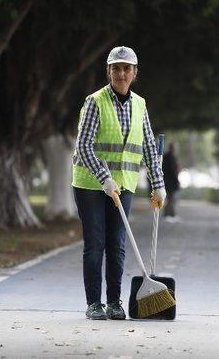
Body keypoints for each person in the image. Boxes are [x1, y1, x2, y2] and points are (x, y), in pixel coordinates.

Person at [72, 46, 166, 320]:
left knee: (117, 243)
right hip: (91, 184)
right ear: (108, 71)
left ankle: (114, 302)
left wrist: (157, 185)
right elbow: (84, 146)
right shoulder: (95, 101)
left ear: (135, 73)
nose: (121, 73)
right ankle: (94, 304)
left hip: (124, 184)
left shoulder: (140, 104)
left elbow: (148, 144)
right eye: (116, 68)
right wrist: (104, 179)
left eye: (127, 69)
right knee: (96, 243)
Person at [162, 143, 181, 222]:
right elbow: (173, 171)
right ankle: (171, 214)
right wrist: (177, 181)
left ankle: (167, 214)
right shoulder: (171, 157)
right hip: (171, 182)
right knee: (171, 199)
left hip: (166, 181)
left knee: (169, 199)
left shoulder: (166, 156)